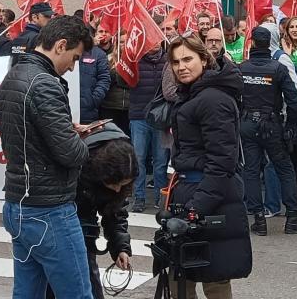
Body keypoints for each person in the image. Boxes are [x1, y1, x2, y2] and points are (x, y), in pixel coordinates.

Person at [0, 15, 94, 299]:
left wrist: (64, 128)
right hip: (48, 209)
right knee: (77, 294)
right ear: (61, 45)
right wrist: (80, 138)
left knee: (27, 293)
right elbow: (71, 153)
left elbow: (31, 133)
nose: (72, 67)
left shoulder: (14, 75)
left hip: (18, 203)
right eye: (74, 58)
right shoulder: (45, 83)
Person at [163, 35, 252, 298]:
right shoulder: (193, 95)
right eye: (176, 61)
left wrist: (195, 209)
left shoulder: (213, 99)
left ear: (204, 59)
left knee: (213, 278)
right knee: (182, 273)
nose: (182, 66)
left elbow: (222, 162)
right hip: (192, 191)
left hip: (210, 196)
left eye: (188, 59)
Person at [46, 124, 136, 299]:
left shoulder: (122, 162)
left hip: (82, 228)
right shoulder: (78, 163)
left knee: (86, 282)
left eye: (123, 185)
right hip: (61, 224)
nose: (118, 189)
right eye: (114, 184)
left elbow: (115, 212)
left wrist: (120, 248)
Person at [240, 27, 297, 235]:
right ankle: (292, 217)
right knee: (285, 169)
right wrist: (291, 127)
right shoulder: (278, 68)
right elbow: (293, 99)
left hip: (247, 123)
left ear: (253, 43)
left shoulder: (242, 68)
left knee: (251, 171)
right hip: (271, 125)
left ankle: (259, 219)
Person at [128, 42, 168, 213]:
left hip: (160, 118)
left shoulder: (167, 60)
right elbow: (123, 81)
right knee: (138, 159)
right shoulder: (135, 60)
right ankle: (139, 197)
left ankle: (160, 197)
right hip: (139, 116)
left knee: (160, 161)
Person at [99, 30, 131, 133]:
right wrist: (115, 73)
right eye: (121, 42)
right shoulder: (108, 59)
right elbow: (104, 81)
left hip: (128, 107)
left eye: (127, 41)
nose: (124, 45)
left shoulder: (136, 61)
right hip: (110, 106)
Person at [79, 29, 111, 125]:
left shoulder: (98, 54)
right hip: (66, 110)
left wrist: (93, 100)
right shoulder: (64, 51)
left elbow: (104, 79)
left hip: (88, 111)